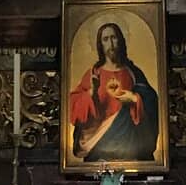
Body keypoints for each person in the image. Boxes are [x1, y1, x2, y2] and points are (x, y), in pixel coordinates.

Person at [68, 22, 160, 163]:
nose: (111, 43)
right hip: (98, 144)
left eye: (114, 38)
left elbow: (151, 99)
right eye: (105, 39)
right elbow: (75, 108)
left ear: (120, 40)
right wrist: (91, 92)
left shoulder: (133, 73)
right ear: (100, 45)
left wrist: (135, 99)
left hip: (129, 144)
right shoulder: (93, 74)